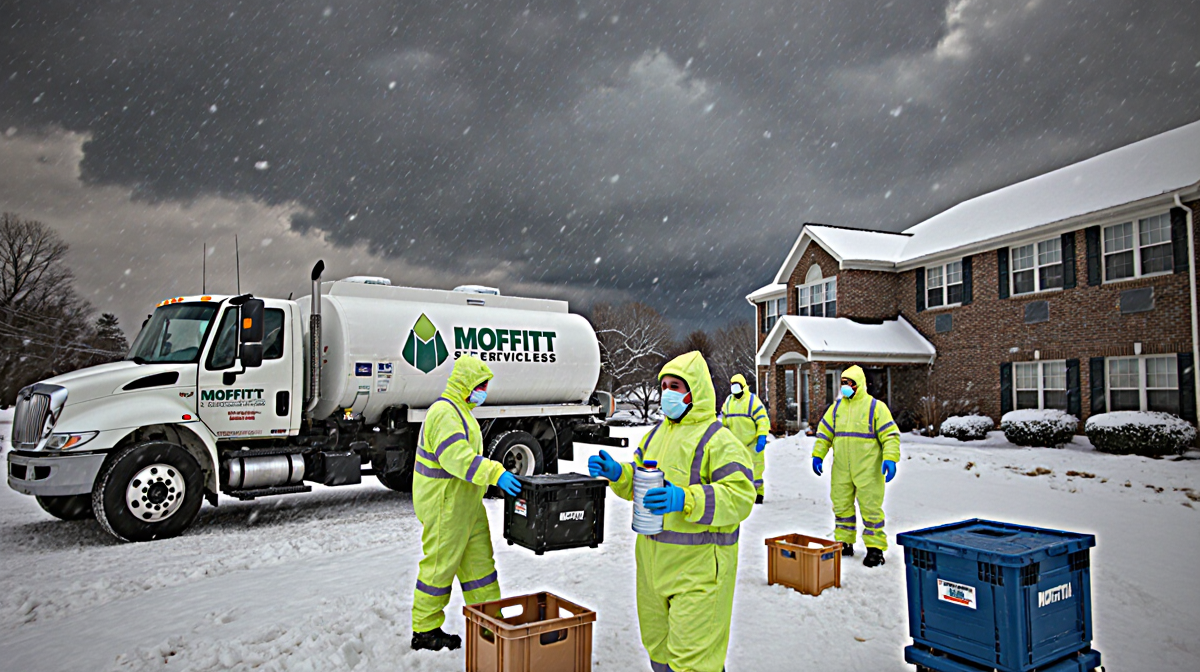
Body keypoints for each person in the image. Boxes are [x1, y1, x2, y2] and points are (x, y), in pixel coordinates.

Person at [589, 352, 755, 672]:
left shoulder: (718, 440)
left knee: (694, 661)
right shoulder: (655, 435)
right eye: (663, 385)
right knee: (659, 651)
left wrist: (686, 500)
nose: (667, 392)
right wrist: (618, 474)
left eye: (675, 386)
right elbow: (639, 480)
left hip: (699, 571)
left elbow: (741, 496)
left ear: (695, 391)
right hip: (653, 569)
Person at [410, 355, 523, 651]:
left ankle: (490, 623)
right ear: (467, 384)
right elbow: (456, 458)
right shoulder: (444, 412)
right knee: (439, 567)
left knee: (480, 568)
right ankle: (425, 629)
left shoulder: (463, 412)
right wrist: (494, 473)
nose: (484, 391)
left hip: (466, 506)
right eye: (482, 385)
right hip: (445, 506)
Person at [810, 365, 901, 568]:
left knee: (871, 509)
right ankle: (844, 543)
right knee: (841, 506)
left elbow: (890, 435)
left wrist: (890, 458)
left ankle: (875, 549)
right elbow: (824, 434)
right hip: (842, 468)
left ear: (858, 385)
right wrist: (818, 454)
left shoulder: (875, 408)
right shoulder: (836, 409)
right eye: (843, 383)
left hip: (868, 469)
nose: (845, 387)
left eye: (849, 384)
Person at [720, 373, 771, 504]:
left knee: (756, 470)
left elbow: (762, 420)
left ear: (743, 386)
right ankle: (740, 495)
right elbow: (724, 422)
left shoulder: (752, 401)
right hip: (734, 446)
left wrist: (762, 436)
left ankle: (758, 495)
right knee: (736, 471)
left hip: (752, 445)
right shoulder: (728, 402)